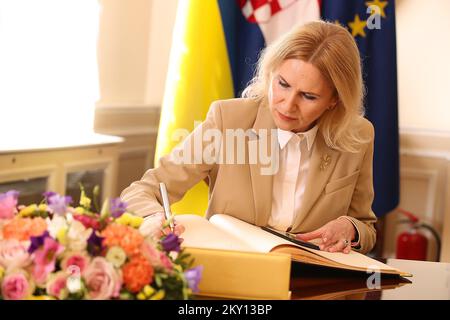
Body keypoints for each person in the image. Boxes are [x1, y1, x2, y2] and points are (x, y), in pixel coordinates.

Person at [120, 21, 377, 254]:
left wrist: (349, 227)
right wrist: (154, 218)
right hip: (233, 274)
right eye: (283, 84)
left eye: (308, 96)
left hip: (311, 282)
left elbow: (366, 226)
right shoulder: (228, 120)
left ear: (335, 100)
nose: (288, 106)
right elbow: (142, 190)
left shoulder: (358, 136)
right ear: (271, 73)